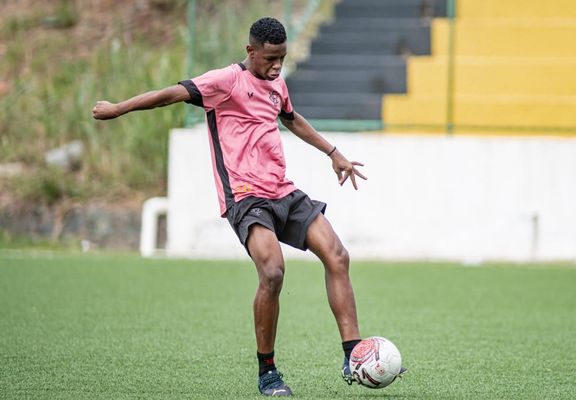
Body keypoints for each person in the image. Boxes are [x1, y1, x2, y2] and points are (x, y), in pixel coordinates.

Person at [93, 17, 370, 397]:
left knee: (337, 254)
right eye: (270, 59)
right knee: (272, 273)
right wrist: (118, 108)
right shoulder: (224, 81)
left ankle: (353, 355)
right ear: (250, 51)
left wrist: (333, 153)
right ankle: (268, 372)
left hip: (282, 191)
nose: (276, 67)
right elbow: (168, 94)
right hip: (245, 197)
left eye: (282, 59)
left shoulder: (276, 82)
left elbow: (292, 119)